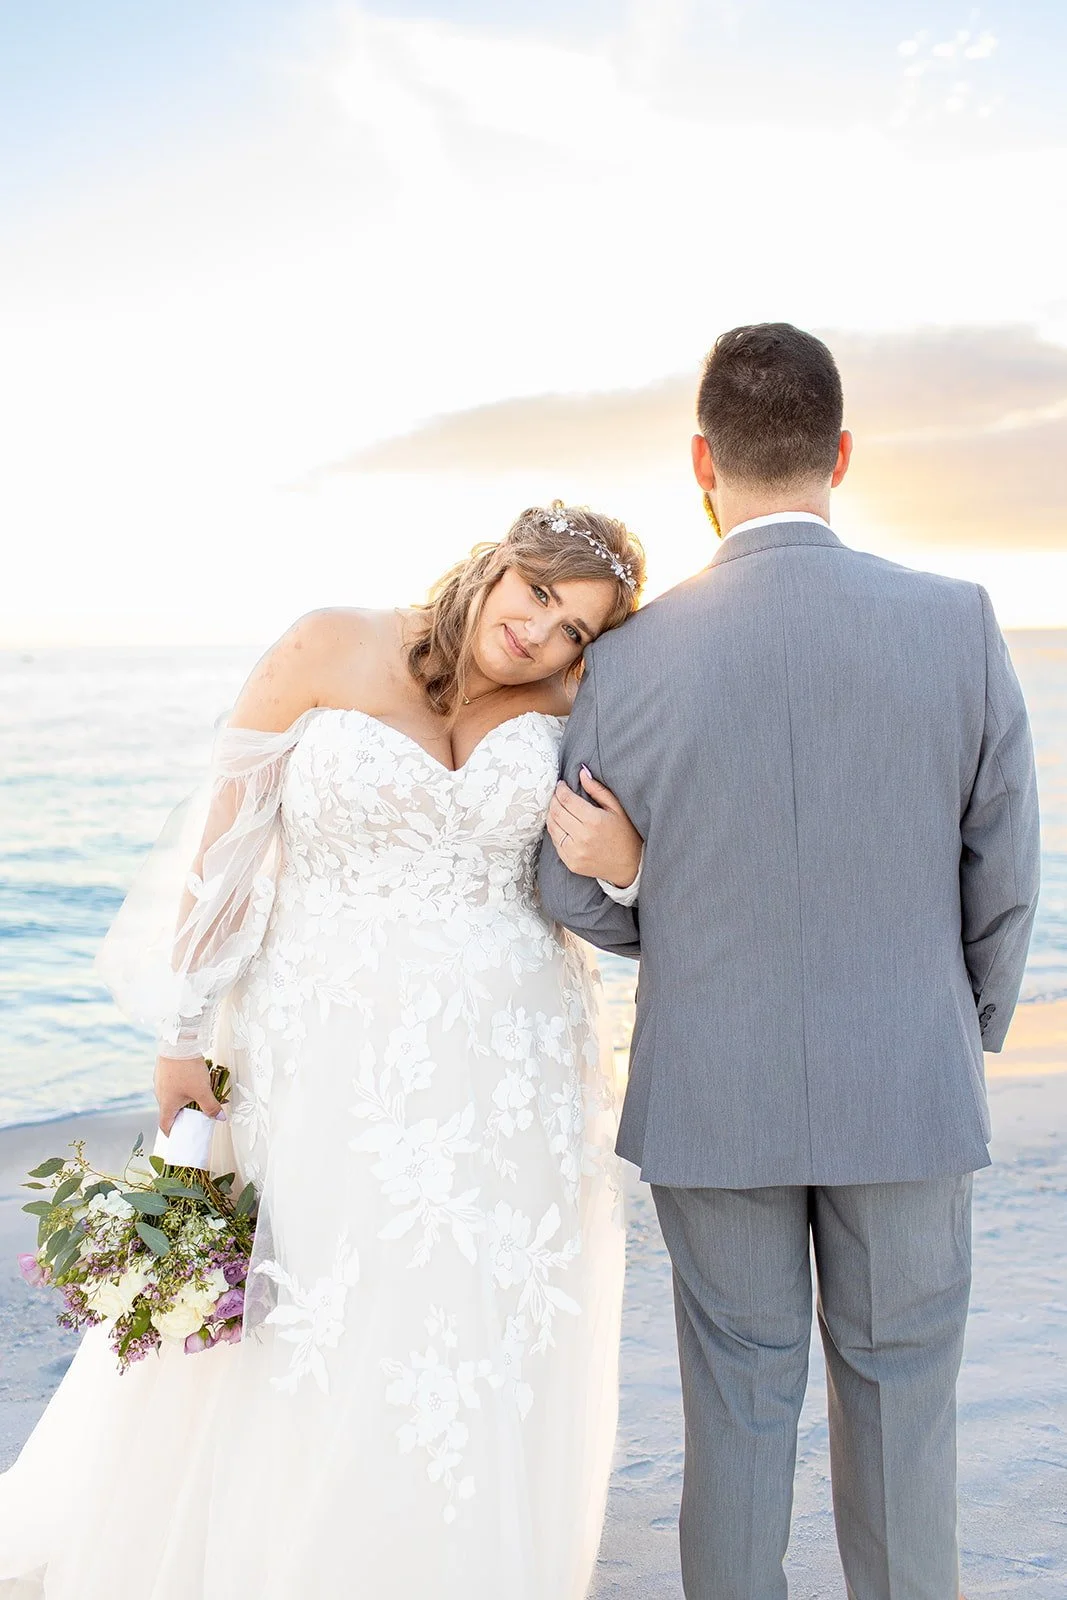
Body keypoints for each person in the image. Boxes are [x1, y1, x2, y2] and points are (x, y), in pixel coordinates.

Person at [0, 503, 647, 1600]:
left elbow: (642, 847)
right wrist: (185, 1026)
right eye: (537, 593)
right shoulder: (327, 643)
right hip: (319, 1044)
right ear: (497, 563)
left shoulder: (578, 702)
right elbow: (230, 839)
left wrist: (626, 861)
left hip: (512, 1066)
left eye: (574, 627)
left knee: (472, 1319)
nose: (540, 633)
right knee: (314, 1303)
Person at [539, 324, 1041, 1600]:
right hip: (908, 1089)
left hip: (712, 1093)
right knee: (904, 1420)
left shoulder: (631, 658)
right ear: (843, 452)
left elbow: (563, 879)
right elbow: (1005, 873)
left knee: (737, 1421)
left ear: (701, 461)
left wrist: (652, 882)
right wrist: (954, 1027)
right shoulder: (958, 620)